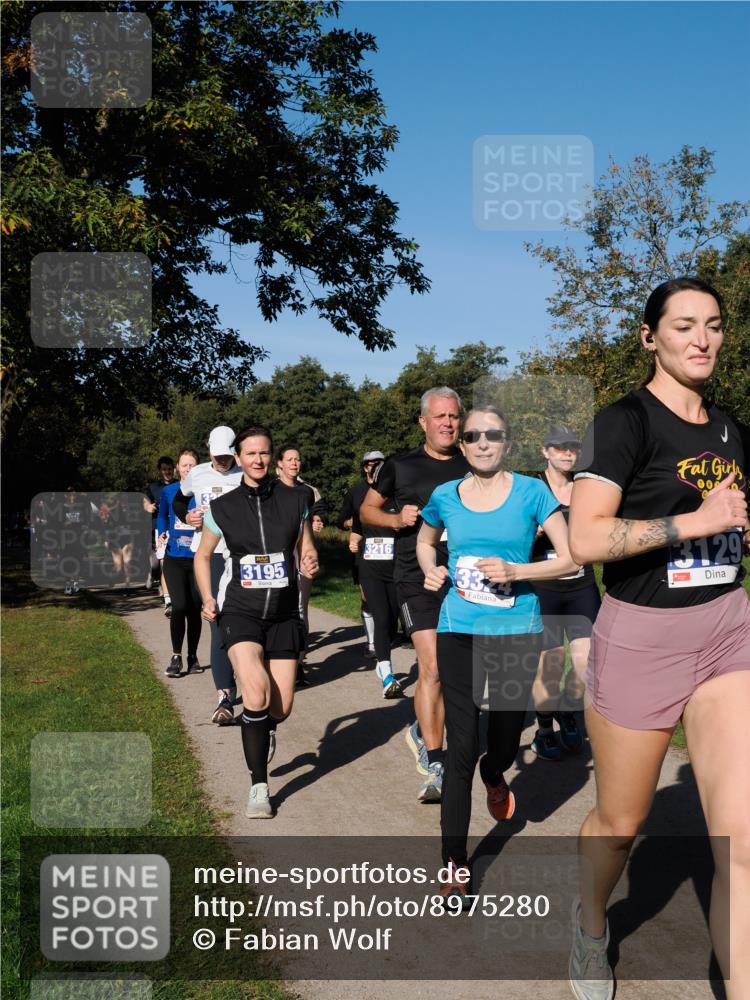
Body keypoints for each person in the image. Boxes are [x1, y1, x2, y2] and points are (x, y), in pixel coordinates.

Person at [567, 277, 749, 1000]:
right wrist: (695, 523)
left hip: (727, 629)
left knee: (741, 841)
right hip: (643, 637)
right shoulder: (623, 422)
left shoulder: (732, 428)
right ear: (650, 337)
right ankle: (589, 925)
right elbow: (585, 537)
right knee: (621, 821)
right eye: (681, 326)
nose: (700, 339)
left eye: (712, 325)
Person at [417, 404, 576, 904]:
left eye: (494, 435)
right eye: (472, 435)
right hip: (458, 627)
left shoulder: (533, 493)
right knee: (461, 745)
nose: (483, 443)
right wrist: (431, 570)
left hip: (516, 629)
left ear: (507, 442)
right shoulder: (445, 495)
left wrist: (518, 573)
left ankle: (495, 773)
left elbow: (571, 558)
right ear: (461, 444)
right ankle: (454, 864)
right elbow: (424, 542)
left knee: (504, 737)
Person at [194, 425, 319, 818]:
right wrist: (209, 596)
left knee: (279, 709)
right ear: (240, 457)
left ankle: (263, 728)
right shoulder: (224, 508)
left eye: (265, 453)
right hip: (240, 611)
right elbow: (202, 556)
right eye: (251, 454)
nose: (259, 460)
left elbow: (305, 547)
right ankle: (259, 787)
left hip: (283, 613)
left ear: (273, 456)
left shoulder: (296, 499)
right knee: (255, 691)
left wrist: (311, 560)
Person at [361, 387, 469, 802]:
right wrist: (394, 518)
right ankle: (436, 758)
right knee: (433, 665)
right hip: (414, 577)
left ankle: (422, 727)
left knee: (463, 671)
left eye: (454, 417)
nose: (447, 423)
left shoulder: (471, 464)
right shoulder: (399, 466)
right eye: (439, 416)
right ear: (423, 422)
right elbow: (367, 510)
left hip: (467, 578)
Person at [529, 425, 601, 760]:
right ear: (545, 452)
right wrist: (536, 533)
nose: (567, 453)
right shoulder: (531, 490)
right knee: (551, 665)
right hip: (544, 588)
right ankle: (543, 730)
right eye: (559, 448)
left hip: (581, 584)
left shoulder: (586, 489)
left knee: (587, 664)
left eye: (573, 448)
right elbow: (513, 544)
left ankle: (569, 711)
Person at [173, 426, 243, 723]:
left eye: (228, 456)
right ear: (208, 449)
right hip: (210, 555)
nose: (223, 461)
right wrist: (185, 516)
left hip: (241, 554)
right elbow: (178, 500)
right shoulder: (197, 474)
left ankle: (251, 675)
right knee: (216, 619)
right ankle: (225, 697)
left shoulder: (244, 472)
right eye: (218, 456)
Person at [275, 445, 320, 687]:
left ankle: (300, 662)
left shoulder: (306, 493)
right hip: (277, 556)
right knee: (279, 606)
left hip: (300, 552)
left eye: (298, 459)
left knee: (301, 607)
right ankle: (279, 659)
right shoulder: (270, 490)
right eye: (289, 459)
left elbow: (308, 521)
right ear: (279, 464)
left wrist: (316, 523)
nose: (294, 463)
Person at [157, 449, 203, 677]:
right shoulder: (169, 491)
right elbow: (162, 515)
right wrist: (161, 532)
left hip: (198, 560)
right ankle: (176, 656)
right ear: (178, 467)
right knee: (180, 606)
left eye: (192, 465)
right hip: (174, 558)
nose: (188, 469)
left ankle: (192, 656)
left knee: (195, 609)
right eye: (184, 465)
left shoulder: (203, 492)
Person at [338, 452, 386, 657]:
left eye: (379, 464)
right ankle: (372, 643)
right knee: (366, 597)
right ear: (364, 467)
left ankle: (392, 634)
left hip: (390, 549)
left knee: (391, 595)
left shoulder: (392, 489)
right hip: (364, 549)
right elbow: (341, 520)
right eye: (370, 464)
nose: (374, 467)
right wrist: (357, 523)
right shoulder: (355, 492)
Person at [143, 456, 175, 613]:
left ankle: (169, 598)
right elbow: (143, 500)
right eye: (164, 469)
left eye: (169, 469)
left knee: (169, 562)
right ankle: (155, 576)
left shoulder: (179, 484)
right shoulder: (153, 487)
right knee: (158, 563)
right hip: (159, 528)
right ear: (160, 471)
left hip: (177, 528)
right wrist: (147, 506)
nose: (167, 472)